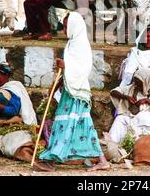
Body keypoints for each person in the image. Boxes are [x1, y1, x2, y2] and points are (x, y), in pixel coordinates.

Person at [39, 12, 109, 171]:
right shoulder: (72, 43)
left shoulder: (80, 44)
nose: (64, 30)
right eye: (64, 26)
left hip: (77, 92)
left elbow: (83, 68)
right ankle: (102, 160)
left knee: (66, 123)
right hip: (72, 89)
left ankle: (51, 159)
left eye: (66, 26)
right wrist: (61, 76)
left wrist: (66, 66)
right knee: (84, 125)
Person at [109, 68, 150, 144]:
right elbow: (113, 92)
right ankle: (111, 145)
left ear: (147, 83)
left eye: (140, 84)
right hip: (132, 118)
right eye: (136, 83)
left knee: (143, 116)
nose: (136, 86)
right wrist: (126, 97)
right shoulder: (133, 87)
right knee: (120, 119)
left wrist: (147, 101)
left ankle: (137, 146)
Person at [0, 62, 37, 126]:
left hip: (11, 119)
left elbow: (14, 111)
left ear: (6, 76)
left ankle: (5, 122)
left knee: (2, 96)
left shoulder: (14, 88)